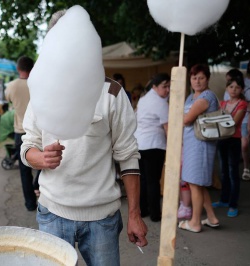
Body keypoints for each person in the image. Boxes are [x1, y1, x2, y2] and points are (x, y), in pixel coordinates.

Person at [20, 10, 148, 265]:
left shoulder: (111, 92)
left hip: (102, 218)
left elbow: (128, 155)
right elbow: (27, 147)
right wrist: (41, 159)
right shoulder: (41, 91)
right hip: (52, 212)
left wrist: (134, 214)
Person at [179, 64, 220, 233]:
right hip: (191, 145)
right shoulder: (191, 97)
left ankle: (195, 222)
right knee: (198, 184)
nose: (197, 81)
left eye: (201, 77)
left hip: (200, 145)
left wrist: (178, 116)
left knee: (195, 184)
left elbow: (187, 119)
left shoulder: (207, 96)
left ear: (208, 79)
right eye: (194, 77)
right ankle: (211, 217)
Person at [134, 73, 170, 222]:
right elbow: (167, 127)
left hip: (140, 144)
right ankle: (155, 213)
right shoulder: (160, 102)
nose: (167, 90)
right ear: (154, 86)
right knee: (153, 180)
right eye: (164, 86)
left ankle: (143, 210)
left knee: (143, 179)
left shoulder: (143, 99)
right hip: (154, 145)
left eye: (169, 86)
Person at [4, 56, 37, 211]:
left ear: (18, 69)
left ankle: (30, 203)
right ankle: (38, 187)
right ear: (33, 67)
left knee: (24, 169)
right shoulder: (38, 83)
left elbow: (9, 100)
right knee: (45, 164)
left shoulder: (11, 86)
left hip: (20, 130)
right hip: (39, 130)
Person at [213, 76, 247, 217]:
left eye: (237, 87)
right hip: (222, 139)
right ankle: (224, 200)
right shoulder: (222, 103)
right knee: (223, 171)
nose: (234, 90)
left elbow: (232, 122)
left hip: (234, 140)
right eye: (231, 87)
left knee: (233, 172)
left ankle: (233, 204)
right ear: (227, 88)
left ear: (241, 89)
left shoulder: (242, 104)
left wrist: (220, 118)